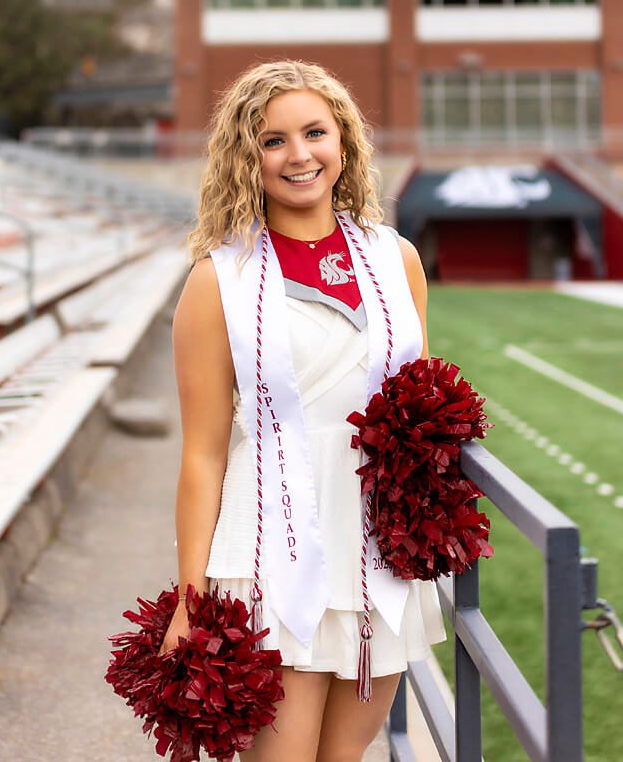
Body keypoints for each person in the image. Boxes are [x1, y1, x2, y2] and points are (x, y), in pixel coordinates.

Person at [160, 60, 445, 762]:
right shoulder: (216, 280)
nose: (299, 155)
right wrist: (189, 600)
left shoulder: (395, 259)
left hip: (376, 556)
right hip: (269, 557)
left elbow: (418, 409)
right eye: (273, 141)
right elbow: (201, 452)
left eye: (314, 132)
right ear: (246, 158)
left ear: (343, 141)